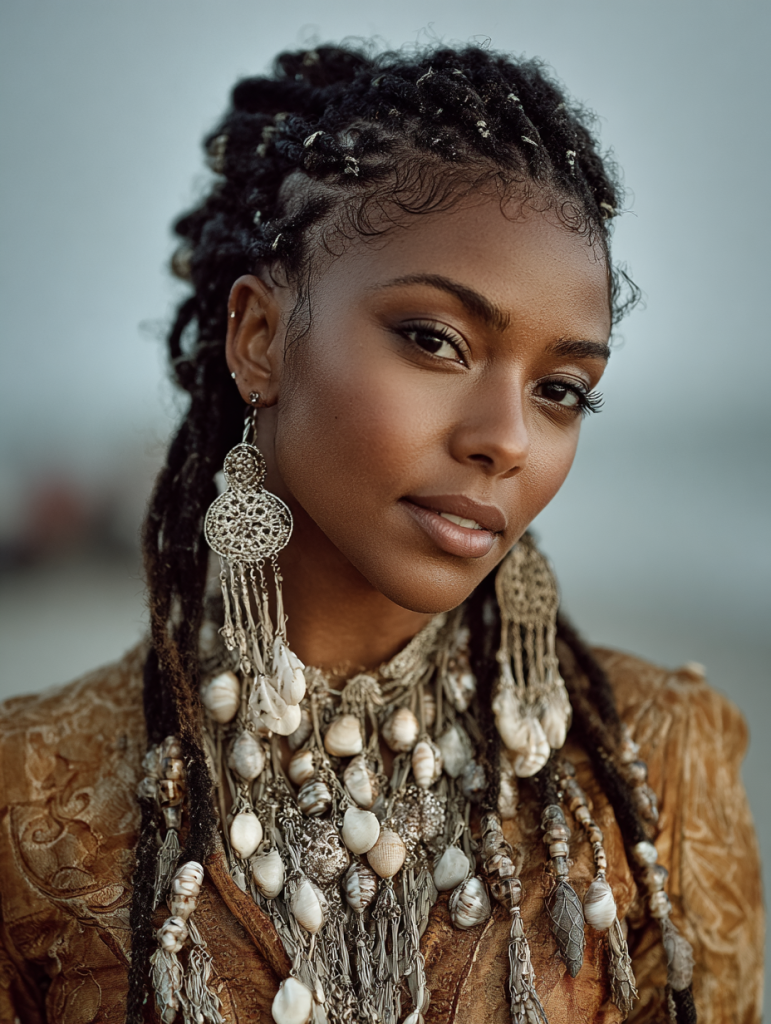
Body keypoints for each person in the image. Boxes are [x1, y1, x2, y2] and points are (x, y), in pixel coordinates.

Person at [0, 42, 762, 1024]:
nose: (506, 439)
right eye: (435, 340)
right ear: (260, 337)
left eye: (562, 390)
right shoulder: (28, 795)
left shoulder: (660, 768)